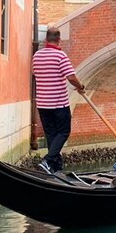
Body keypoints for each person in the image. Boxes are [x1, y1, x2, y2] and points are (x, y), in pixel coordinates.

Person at [33, 26, 85, 175]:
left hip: (42, 104)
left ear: (46, 39)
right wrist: (80, 87)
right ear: (59, 40)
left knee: (51, 134)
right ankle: (48, 160)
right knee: (63, 132)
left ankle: (56, 167)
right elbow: (71, 77)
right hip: (58, 103)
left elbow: (34, 72)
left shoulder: (36, 56)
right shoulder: (60, 56)